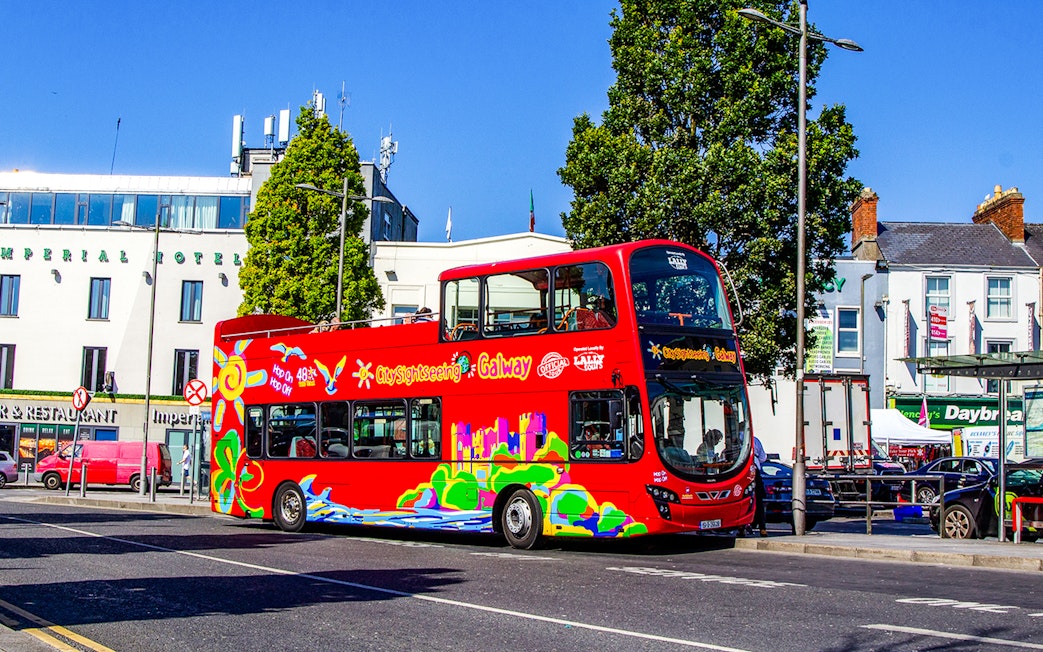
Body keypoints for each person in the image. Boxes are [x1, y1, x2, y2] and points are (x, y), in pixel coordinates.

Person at [752, 435, 768, 537]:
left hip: (742, 468)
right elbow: (763, 458)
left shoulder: (736, 438)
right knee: (759, 501)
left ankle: (743, 527)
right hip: (755, 468)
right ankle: (762, 528)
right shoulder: (755, 440)